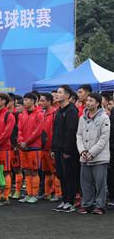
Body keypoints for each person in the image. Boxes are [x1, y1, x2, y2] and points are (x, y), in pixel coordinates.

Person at [76, 93, 110, 214]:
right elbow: (79, 135)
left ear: (97, 103)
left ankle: (100, 205)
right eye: (87, 100)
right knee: (85, 182)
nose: (88, 103)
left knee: (100, 183)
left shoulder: (104, 117)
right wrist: (82, 151)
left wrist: (92, 152)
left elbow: (104, 138)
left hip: (100, 156)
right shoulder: (82, 118)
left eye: (91, 101)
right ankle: (87, 204)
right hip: (85, 156)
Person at [51, 85, 80, 213]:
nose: (56, 95)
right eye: (57, 92)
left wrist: (68, 150)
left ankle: (70, 201)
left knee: (70, 176)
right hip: (57, 149)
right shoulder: (58, 111)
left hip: (68, 151)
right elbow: (55, 131)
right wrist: (53, 148)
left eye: (60, 92)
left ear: (67, 96)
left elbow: (71, 132)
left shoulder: (72, 111)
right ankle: (64, 200)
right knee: (61, 175)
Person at [17, 92, 44, 203]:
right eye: (24, 100)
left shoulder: (39, 114)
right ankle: (28, 194)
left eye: (27, 100)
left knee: (34, 171)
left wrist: (27, 142)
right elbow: (19, 130)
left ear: (33, 101)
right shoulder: (22, 114)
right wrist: (21, 141)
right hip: (23, 147)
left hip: (34, 147)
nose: (25, 102)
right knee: (26, 171)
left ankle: (35, 194)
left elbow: (37, 131)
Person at [0, 93, 16, 205]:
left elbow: (7, 132)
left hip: (4, 148)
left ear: (3, 101)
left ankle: (5, 196)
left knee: (5, 171)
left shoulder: (9, 115)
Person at [39, 93, 61, 202]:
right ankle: (47, 193)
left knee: (55, 171)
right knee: (46, 171)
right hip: (43, 148)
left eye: (43, 101)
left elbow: (54, 132)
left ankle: (58, 193)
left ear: (49, 101)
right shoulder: (43, 114)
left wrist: (53, 146)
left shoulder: (54, 114)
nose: (40, 103)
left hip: (51, 148)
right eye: (40, 101)